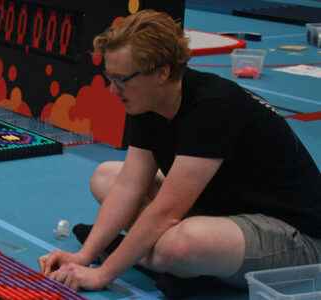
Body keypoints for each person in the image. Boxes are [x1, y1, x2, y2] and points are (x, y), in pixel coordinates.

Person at [38, 9, 321, 293]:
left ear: (162, 72)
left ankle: (163, 258)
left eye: (122, 80)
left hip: (295, 235)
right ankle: (165, 257)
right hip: (224, 211)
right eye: (110, 78)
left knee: (176, 246)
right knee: (105, 177)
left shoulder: (214, 106)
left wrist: (102, 275)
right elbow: (129, 185)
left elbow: (166, 214)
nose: (113, 90)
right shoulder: (147, 98)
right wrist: (84, 257)